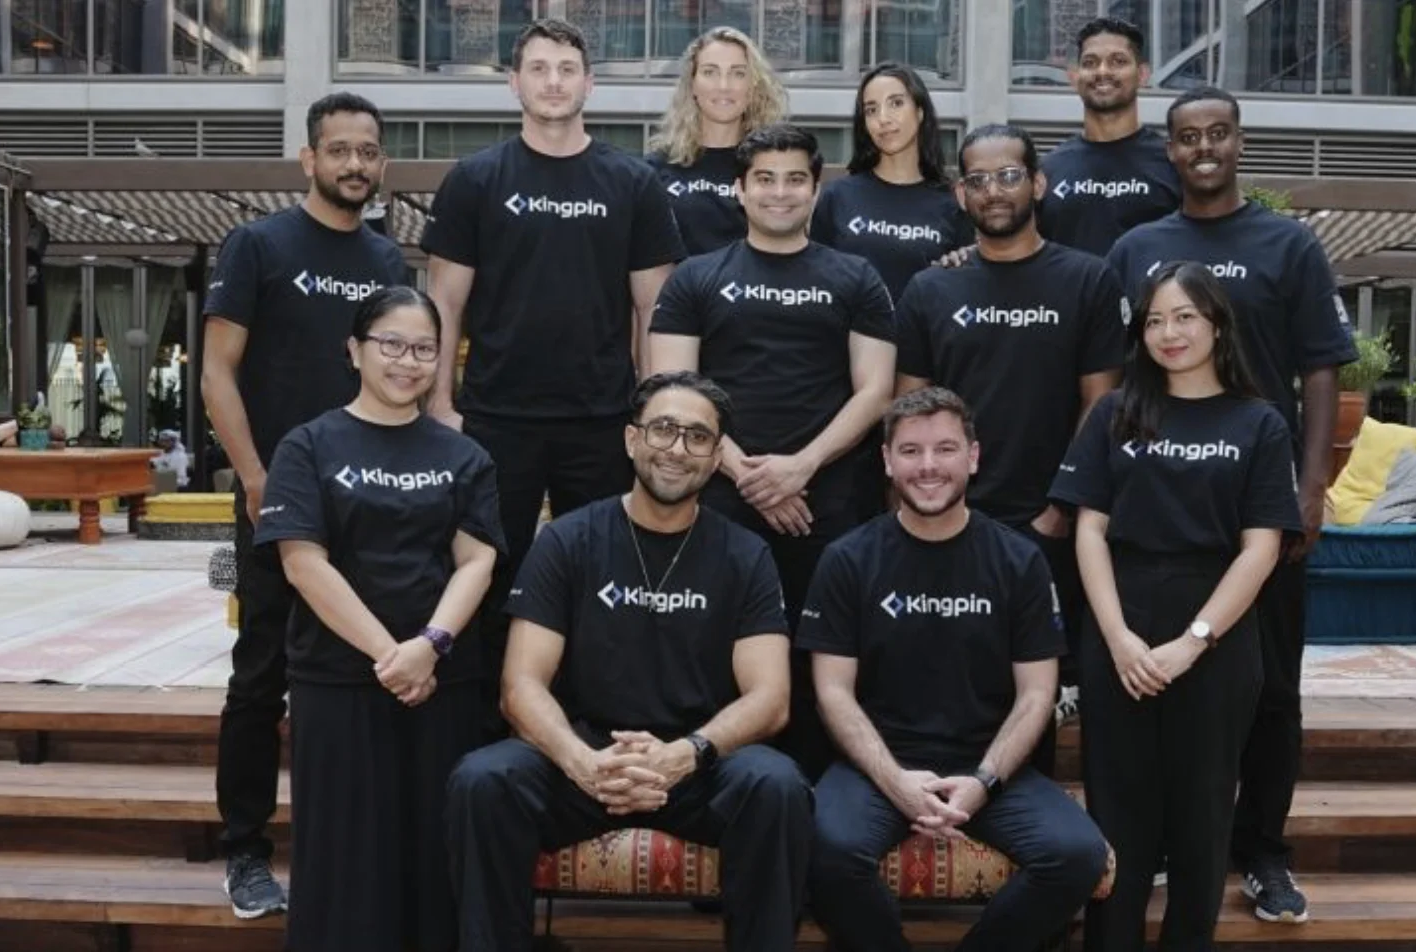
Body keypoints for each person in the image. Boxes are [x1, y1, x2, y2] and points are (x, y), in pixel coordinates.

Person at [445, 371, 811, 952]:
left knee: (777, 785)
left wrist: (684, 755)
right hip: (587, 756)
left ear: (718, 456)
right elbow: (520, 685)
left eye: (697, 437)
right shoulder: (566, 540)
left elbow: (771, 699)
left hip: (699, 765)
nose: (677, 449)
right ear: (631, 439)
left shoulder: (746, 554)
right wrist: (583, 763)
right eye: (663, 429)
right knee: (483, 781)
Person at [1104, 85, 1358, 924]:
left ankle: (1265, 851)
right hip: (1157, 506)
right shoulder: (1137, 247)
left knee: (1270, 690)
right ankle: (1170, 844)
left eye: (1218, 133)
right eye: (1188, 136)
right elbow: (1114, 370)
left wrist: (1311, 487)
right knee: (1157, 683)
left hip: (1257, 505)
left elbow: (1320, 368)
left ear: (1239, 142)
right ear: (1169, 150)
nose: (1203, 147)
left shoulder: (1289, 244)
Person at [422, 18, 685, 727]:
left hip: (602, 420)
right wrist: (442, 406)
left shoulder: (632, 183)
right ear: (515, 82)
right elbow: (444, 303)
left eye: (567, 69)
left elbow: (653, 309)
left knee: (605, 579)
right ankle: (482, 734)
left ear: (589, 84)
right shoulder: (476, 180)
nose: (553, 82)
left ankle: (594, 730)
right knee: (487, 576)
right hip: (494, 420)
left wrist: (652, 414)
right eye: (538, 69)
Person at [200, 91, 411, 919]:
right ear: (309, 159)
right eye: (340, 150)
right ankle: (245, 851)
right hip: (276, 498)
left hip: (370, 500)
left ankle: (355, 844)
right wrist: (255, 478)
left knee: (367, 667)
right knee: (261, 673)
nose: (355, 164)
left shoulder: (387, 260)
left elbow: (397, 375)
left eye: (368, 151)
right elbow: (218, 372)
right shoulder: (258, 244)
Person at [801, 386, 1110, 952]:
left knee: (1077, 855)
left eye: (945, 449)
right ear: (887, 461)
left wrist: (984, 783)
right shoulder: (847, 558)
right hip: (877, 765)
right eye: (911, 451)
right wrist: (894, 781)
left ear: (973, 457)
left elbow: (1037, 695)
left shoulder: (1019, 560)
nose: (928, 466)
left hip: (988, 764)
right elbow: (832, 692)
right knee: (824, 849)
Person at [1052, 262, 1299, 951]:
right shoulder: (1114, 412)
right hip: (1121, 623)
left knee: (1202, 817)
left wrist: (1194, 642)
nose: (1169, 332)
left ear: (1218, 325)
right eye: (1155, 320)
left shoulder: (1259, 423)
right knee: (1117, 816)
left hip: (1216, 632)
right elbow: (1089, 531)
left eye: (1185, 316)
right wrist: (1118, 639)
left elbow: (1261, 549)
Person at [254, 286, 504, 952]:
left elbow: (477, 560)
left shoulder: (464, 456)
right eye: (391, 344)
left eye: (424, 348)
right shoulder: (307, 446)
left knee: (434, 855)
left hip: (442, 685)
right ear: (354, 350)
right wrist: (391, 656)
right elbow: (303, 563)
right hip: (337, 681)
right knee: (342, 859)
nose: (407, 361)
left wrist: (430, 645)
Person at [650, 123, 896, 778]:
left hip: (828, 506)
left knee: (818, 663)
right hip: (717, 505)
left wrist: (802, 466)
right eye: (764, 179)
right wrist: (748, 474)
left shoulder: (856, 277)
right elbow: (670, 389)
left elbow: (876, 390)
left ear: (816, 189)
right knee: (712, 657)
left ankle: (816, 810)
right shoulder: (696, 278)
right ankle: (706, 791)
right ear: (740, 189)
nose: (779, 192)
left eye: (794, 179)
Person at [895, 123, 1119, 696]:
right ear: (960, 194)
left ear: (1038, 184)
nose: (993, 191)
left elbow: (1101, 403)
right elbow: (907, 410)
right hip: (951, 519)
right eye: (978, 180)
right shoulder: (930, 289)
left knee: (1045, 689)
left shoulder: (1088, 279)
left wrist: (1060, 509)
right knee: (955, 682)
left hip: (1050, 523)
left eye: (1009, 176)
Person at [811, 62, 973, 302]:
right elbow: (816, 282)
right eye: (871, 110)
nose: (883, 119)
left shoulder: (952, 202)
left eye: (896, 103)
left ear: (920, 111)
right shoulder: (837, 196)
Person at [1038, 17, 1180, 258]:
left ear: (1142, 74)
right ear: (1074, 76)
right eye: (1090, 63)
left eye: (1118, 61)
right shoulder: (1048, 170)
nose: (1102, 71)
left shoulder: (1172, 163)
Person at [646, 26, 788, 255]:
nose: (724, 86)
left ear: (754, 86)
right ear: (692, 84)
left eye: (738, 73)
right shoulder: (654, 170)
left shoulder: (774, 167)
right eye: (710, 72)